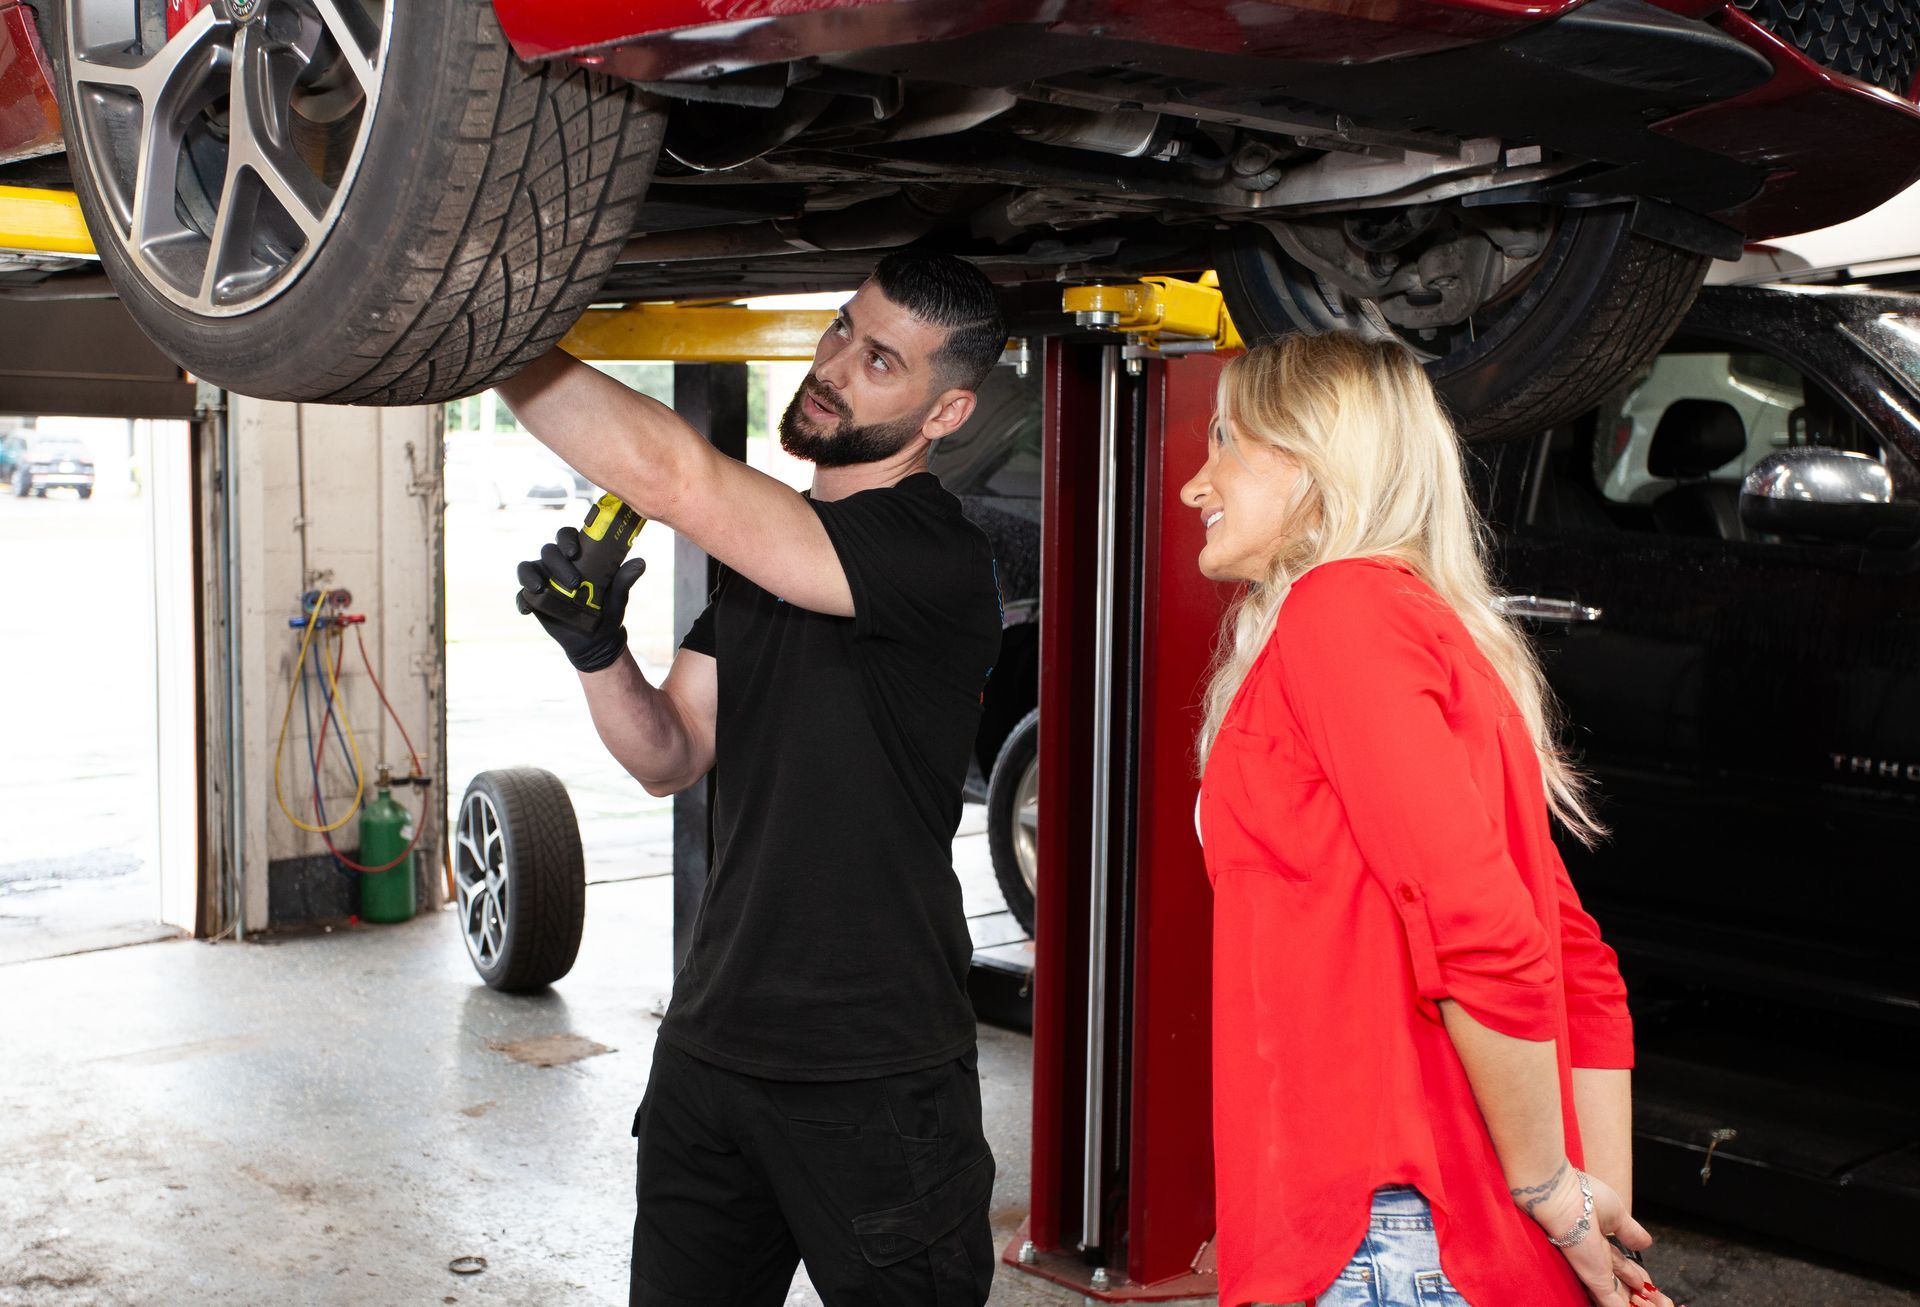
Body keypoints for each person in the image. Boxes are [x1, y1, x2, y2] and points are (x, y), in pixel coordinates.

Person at [496, 249, 1007, 1307]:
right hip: (713, 1053)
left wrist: (481, 332)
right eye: (839, 330)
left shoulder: (933, 560)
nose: (832, 366)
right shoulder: (771, 558)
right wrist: (598, 653)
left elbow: (676, 478)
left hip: (873, 1075)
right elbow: (670, 752)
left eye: (879, 361)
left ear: (945, 413)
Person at [1179, 334, 1675, 1307]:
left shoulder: (1343, 611)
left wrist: (1560, 1198)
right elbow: (1579, 962)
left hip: (1390, 1231)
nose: (1200, 481)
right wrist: (1596, 1218)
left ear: (1316, 457)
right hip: (1434, 1232)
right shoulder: (1430, 629)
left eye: (1228, 437)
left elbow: (1489, 936)